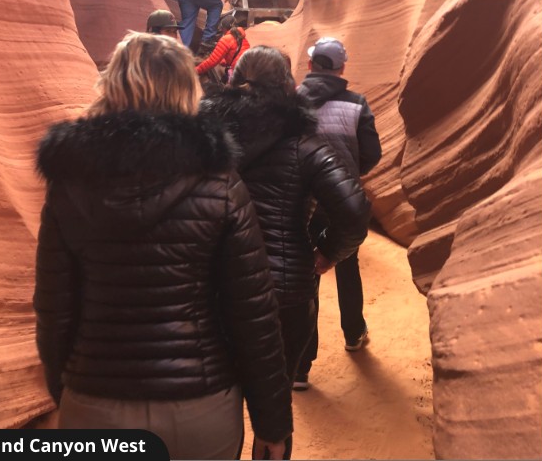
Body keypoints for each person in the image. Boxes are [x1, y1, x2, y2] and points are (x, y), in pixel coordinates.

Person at [33, 32, 293, 460]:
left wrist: (66, 388)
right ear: (185, 88)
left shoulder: (68, 184)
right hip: (200, 407)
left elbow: (54, 307)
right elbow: (253, 314)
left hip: (95, 400)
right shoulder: (220, 183)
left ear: (112, 84)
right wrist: (272, 421)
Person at [200, 46, 371, 460]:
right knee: (273, 402)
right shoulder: (305, 144)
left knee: (216, 394)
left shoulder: (204, 137)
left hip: (213, 284)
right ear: (288, 86)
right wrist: (328, 252)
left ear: (233, 81)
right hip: (285, 287)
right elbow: (353, 211)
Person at [295, 37, 382, 391]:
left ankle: (300, 366)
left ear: (312, 63)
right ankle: (353, 332)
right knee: (346, 264)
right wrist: (348, 169)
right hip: (342, 198)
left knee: (304, 276)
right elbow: (372, 154)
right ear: (342, 68)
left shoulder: (291, 102)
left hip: (301, 201)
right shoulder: (356, 104)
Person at [195, 15, 250, 84]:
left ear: (224, 28)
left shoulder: (226, 39)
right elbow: (236, 53)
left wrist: (196, 70)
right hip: (248, 71)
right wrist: (224, 60)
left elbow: (212, 62)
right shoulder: (242, 37)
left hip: (238, 73)